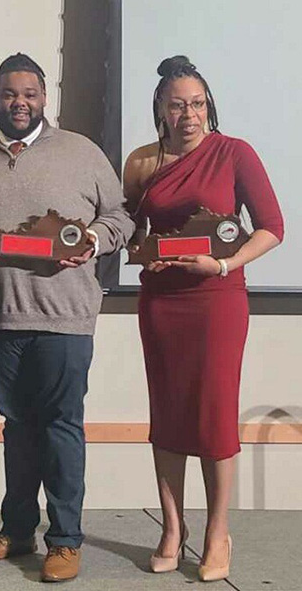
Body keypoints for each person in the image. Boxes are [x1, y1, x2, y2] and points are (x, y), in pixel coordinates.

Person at [0, 53, 133, 582]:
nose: (20, 103)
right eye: (9, 94)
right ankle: (16, 531)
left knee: (61, 425)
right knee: (17, 427)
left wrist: (94, 239)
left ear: (45, 98)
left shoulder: (81, 152)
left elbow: (121, 217)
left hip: (65, 315)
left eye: (30, 94)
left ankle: (64, 540)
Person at [123, 56, 283, 582]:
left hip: (217, 300)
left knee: (213, 416)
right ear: (161, 111)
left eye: (197, 103)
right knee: (167, 416)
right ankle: (173, 528)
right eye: (177, 105)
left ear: (208, 105)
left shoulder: (235, 153)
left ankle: (217, 533)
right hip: (161, 303)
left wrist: (225, 263)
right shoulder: (142, 161)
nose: (189, 114)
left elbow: (272, 227)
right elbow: (131, 230)